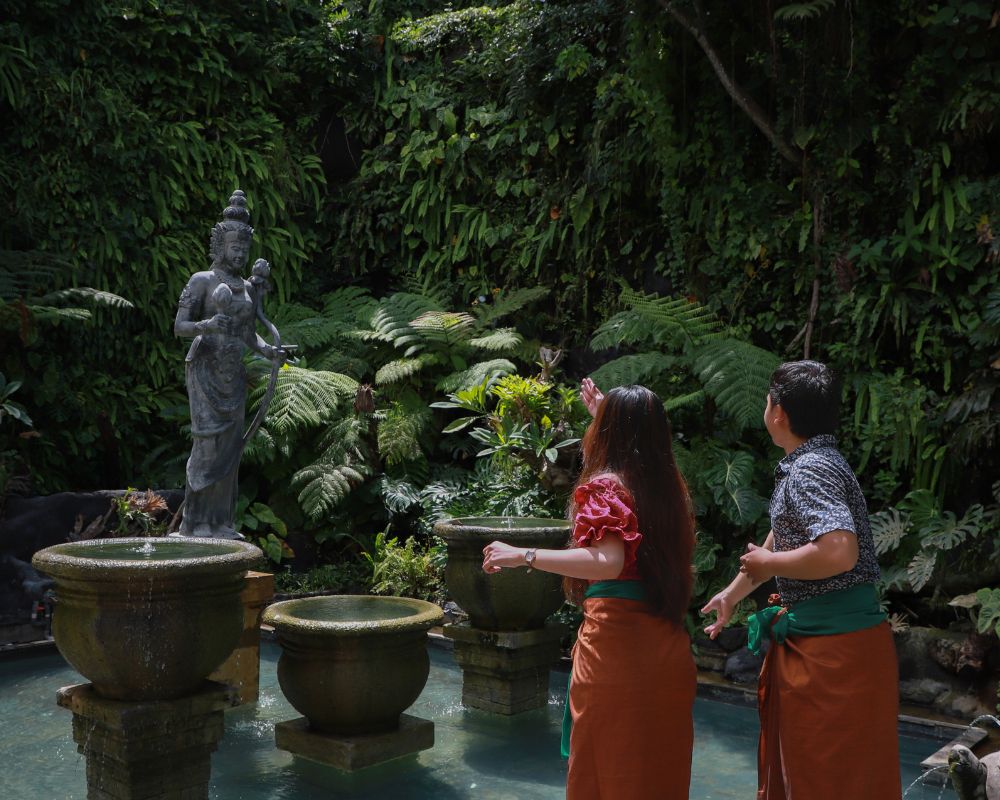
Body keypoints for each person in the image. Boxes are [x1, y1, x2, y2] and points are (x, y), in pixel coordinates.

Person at [482, 384, 696, 800]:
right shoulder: (669, 489)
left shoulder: (606, 487)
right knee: (655, 780)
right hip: (667, 655)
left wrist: (523, 554)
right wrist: (609, 412)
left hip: (617, 656)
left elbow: (607, 562)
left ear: (608, 431)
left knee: (608, 775)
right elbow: (635, 445)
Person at [701, 360, 901, 800]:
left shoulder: (810, 470)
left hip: (833, 655)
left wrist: (770, 563)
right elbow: (786, 538)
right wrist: (734, 594)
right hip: (842, 648)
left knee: (824, 785)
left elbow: (837, 551)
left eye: (768, 399)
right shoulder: (817, 462)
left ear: (779, 414)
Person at [173, 190, 288, 538]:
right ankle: (194, 523)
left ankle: (220, 522)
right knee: (207, 446)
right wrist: (206, 326)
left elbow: (248, 334)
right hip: (206, 370)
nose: (239, 254)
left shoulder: (247, 289)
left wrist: (270, 351)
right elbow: (179, 327)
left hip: (233, 374)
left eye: (244, 249)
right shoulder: (202, 281)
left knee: (230, 450)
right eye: (234, 247)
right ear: (220, 246)